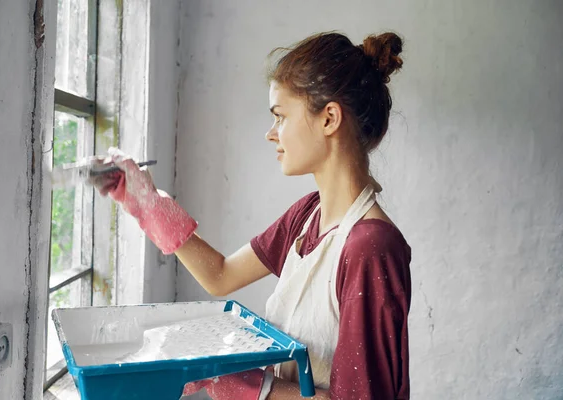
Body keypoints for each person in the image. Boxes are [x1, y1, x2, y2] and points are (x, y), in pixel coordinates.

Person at [92, 31, 411, 400]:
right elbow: (221, 275)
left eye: (280, 117)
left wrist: (250, 386)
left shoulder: (369, 246)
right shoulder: (308, 215)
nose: (271, 134)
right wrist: (146, 201)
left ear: (329, 119)